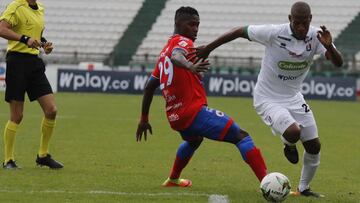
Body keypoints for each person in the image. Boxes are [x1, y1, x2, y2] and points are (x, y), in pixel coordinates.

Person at [192, 1, 343, 197]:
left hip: (294, 97)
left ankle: (304, 188)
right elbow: (239, 31)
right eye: (297, 22)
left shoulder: (317, 36)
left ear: (310, 20)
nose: (301, 27)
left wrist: (329, 45)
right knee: (293, 132)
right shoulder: (273, 32)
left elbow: (338, 63)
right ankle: (288, 143)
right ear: (290, 19)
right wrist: (209, 48)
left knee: (314, 146)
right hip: (267, 98)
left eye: (304, 23)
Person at [136, 6, 267, 187]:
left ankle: (173, 179)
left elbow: (150, 86)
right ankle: (267, 184)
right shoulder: (183, 42)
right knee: (242, 137)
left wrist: (144, 118)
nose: (196, 29)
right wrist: (190, 67)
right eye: (191, 24)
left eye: (197, 25)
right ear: (178, 23)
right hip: (193, 112)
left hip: (176, 117)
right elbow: (177, 56)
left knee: (194, 140)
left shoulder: (162, 53)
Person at [0, 0, 63, 169]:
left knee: (52, 110)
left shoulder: (40, 8)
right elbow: (2, 29)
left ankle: (42, 156)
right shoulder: (16, 6)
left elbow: (35, 35)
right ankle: (8, 160)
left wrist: (44, 44)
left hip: (34, 63)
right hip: (17, 62)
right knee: (17, 116)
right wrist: (24, 39)